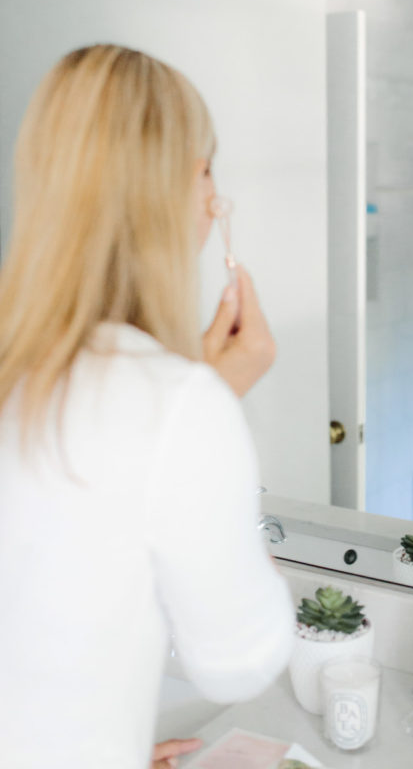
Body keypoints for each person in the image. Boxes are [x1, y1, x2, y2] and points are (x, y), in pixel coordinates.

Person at [0, 45, 294, 769]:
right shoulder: (176, 405)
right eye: (205, 169)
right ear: (162, 189)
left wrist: (107, 745)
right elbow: (240, 661)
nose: (214, 199)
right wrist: (208, 401)